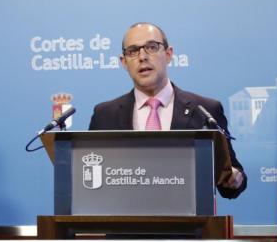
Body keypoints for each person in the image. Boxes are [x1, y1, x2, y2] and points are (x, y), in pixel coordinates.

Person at [89, 22, 246, 199]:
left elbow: (230, 181)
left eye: (151, 47)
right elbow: (94, 185)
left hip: (188, 224)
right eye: (133, 51)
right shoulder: (105, 115)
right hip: (124, 223)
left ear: (169, 54)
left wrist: (233, 177)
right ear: (124, 62)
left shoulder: (205, 110)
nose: (142, 57)